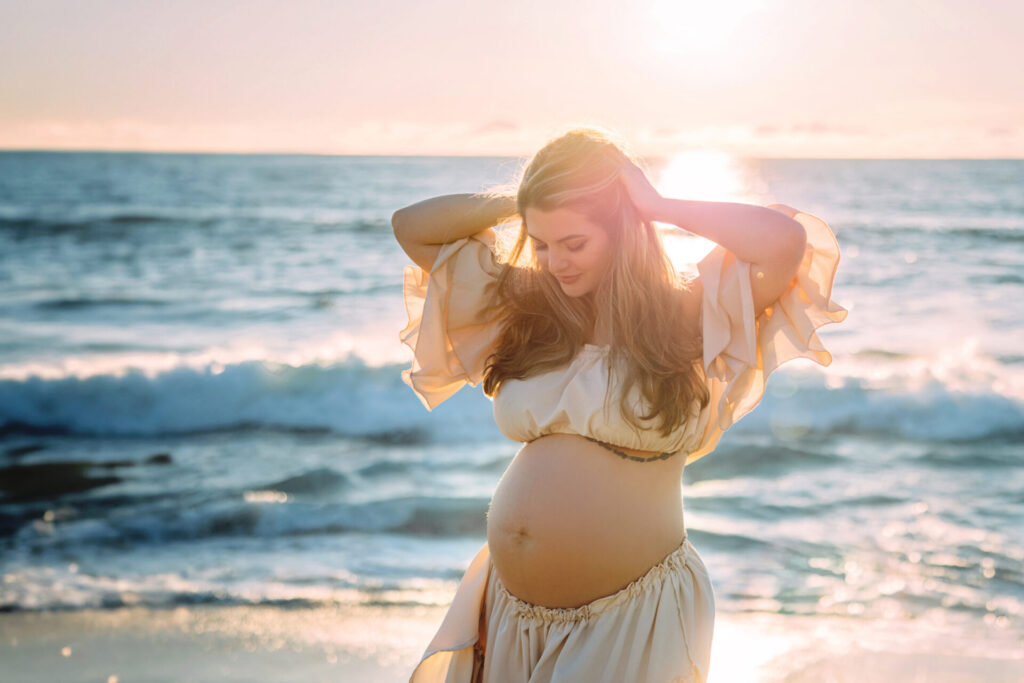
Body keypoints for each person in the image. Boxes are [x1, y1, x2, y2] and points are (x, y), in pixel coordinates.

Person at [392, 126, 848, 683]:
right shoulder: (532, 310)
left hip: (630, 620)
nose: (555, 262)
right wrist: (534, 200)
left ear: (623, 230)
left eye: (574, 242)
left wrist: (655, 205)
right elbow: (411, 227)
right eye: (541, 244)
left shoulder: (685, 315)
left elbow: (783, 242)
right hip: (511, 614)